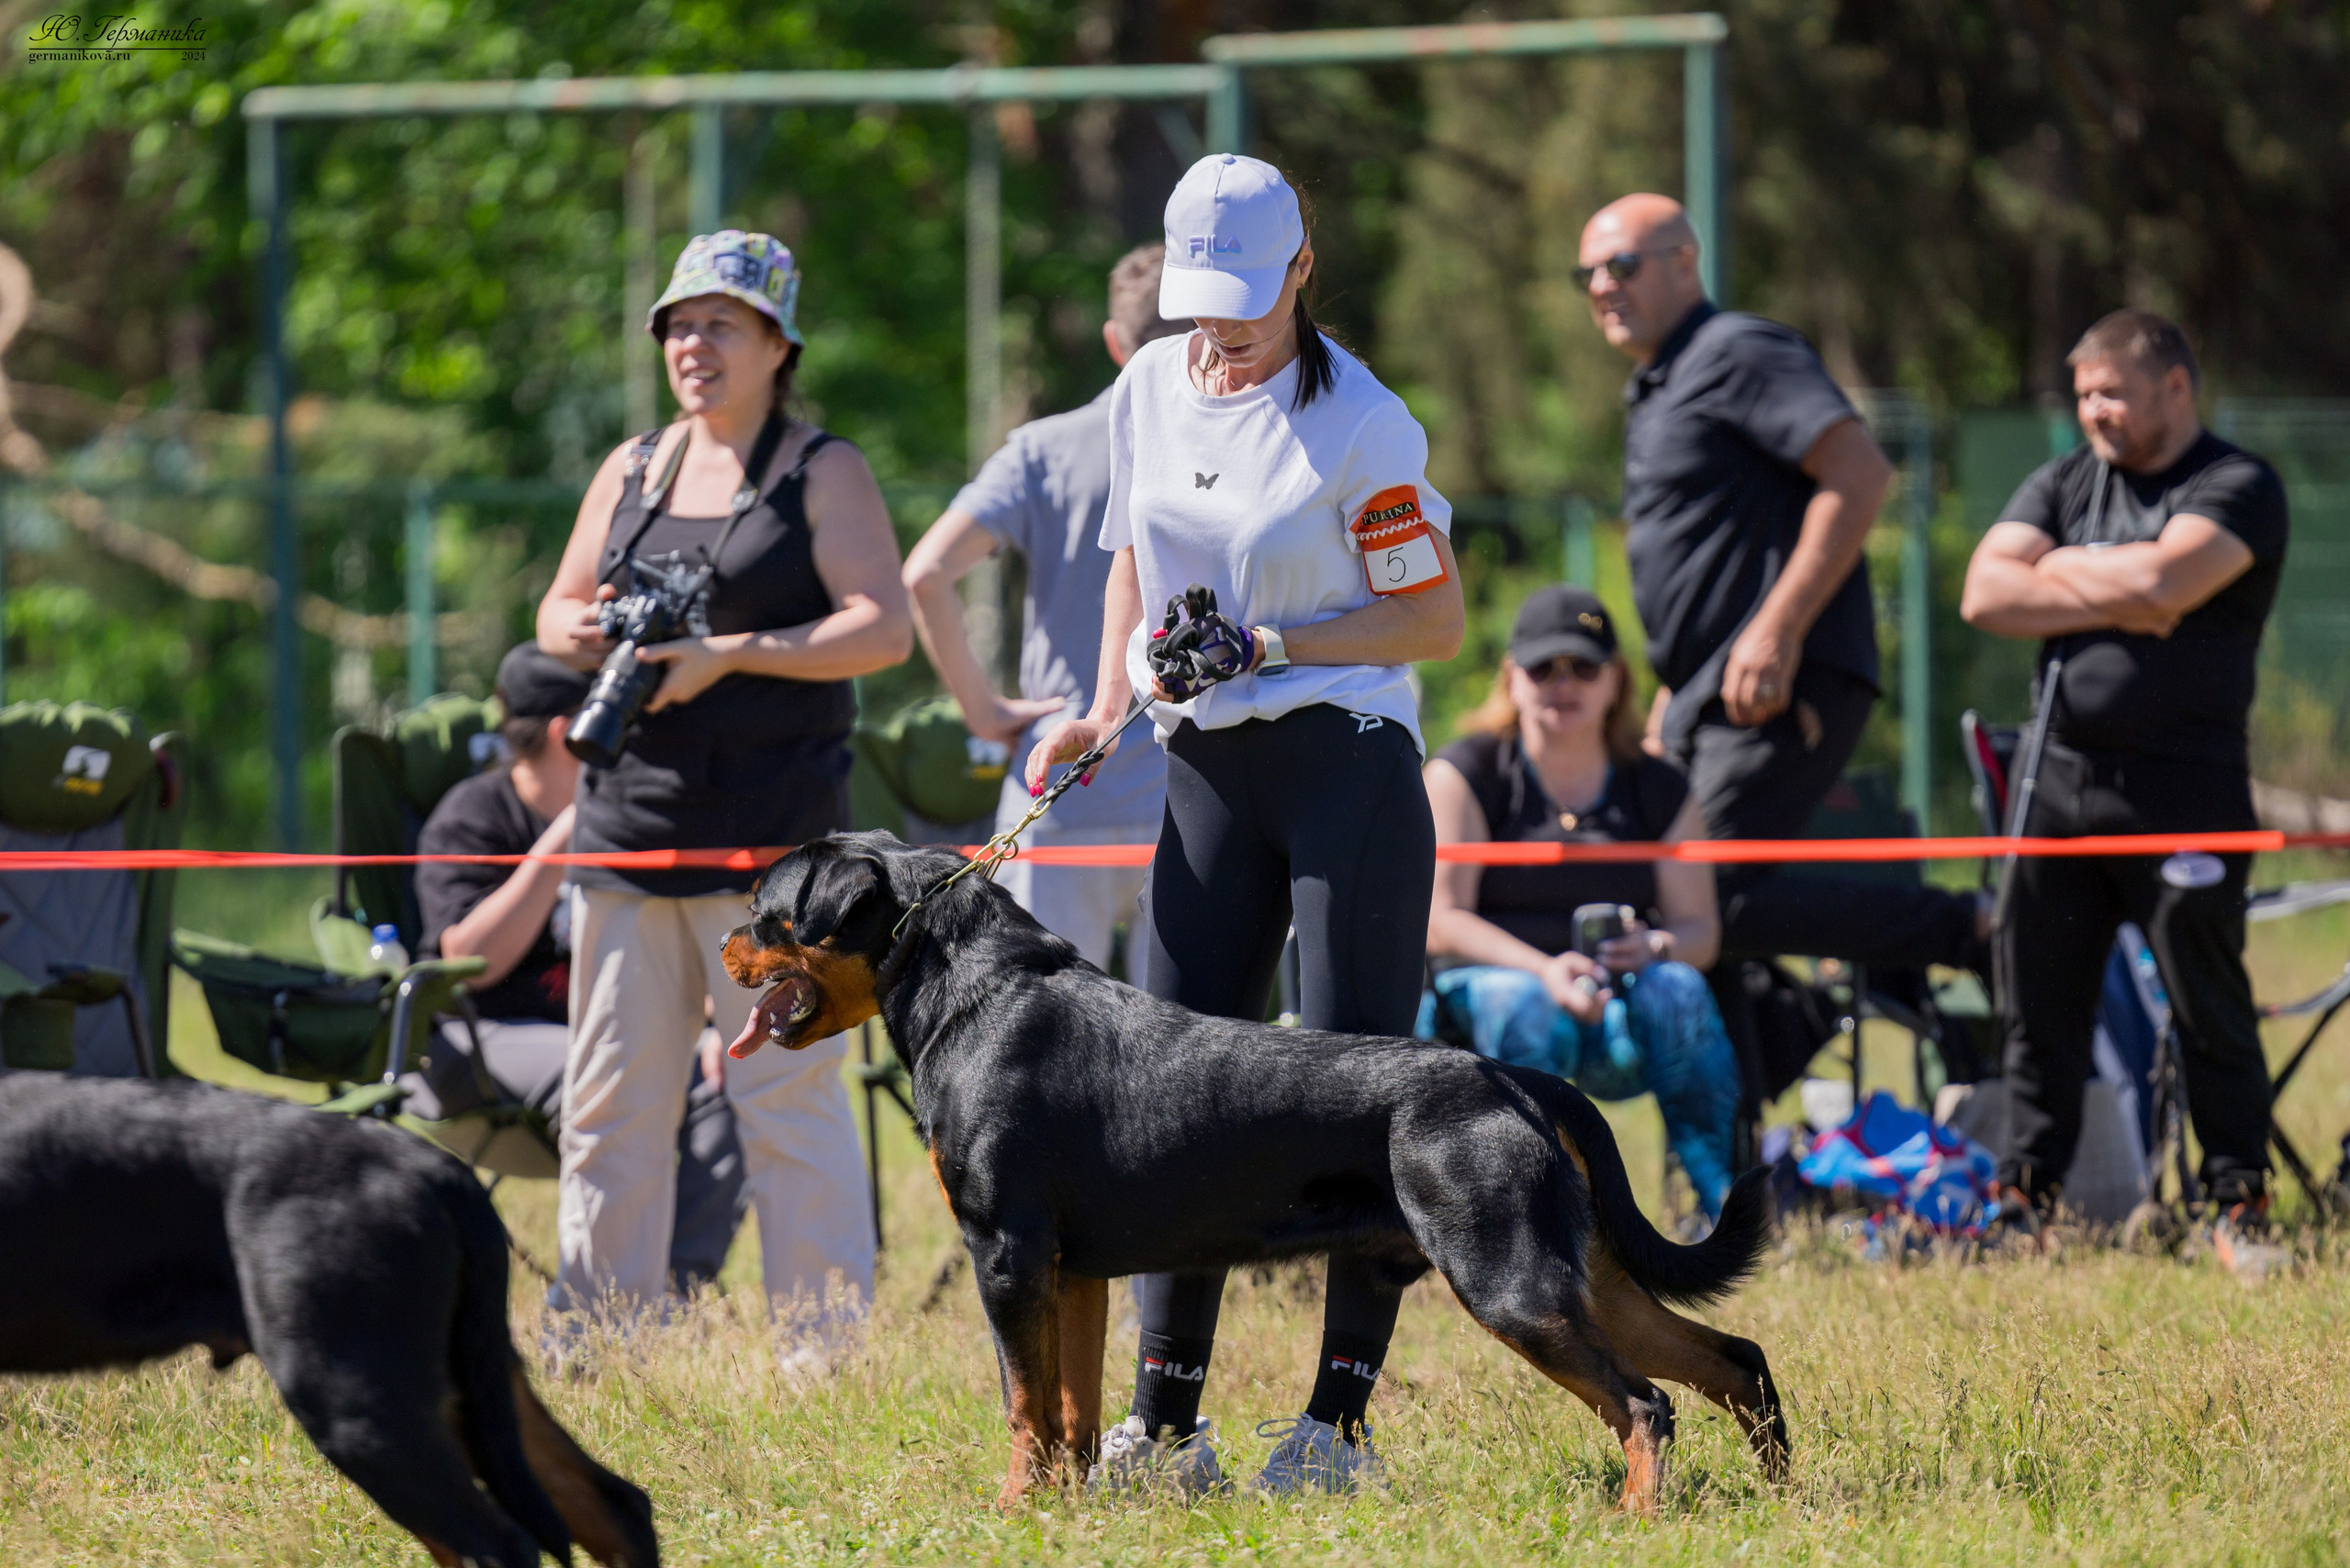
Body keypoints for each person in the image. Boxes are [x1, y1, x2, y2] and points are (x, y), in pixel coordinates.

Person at [1026, 153, 1464, 1496]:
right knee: (1167, 1097)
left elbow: (1432, 620)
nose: (1223, 328)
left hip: (1347, 758)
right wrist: (1100, 710)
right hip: (1204, 772)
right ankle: (1165, 1432)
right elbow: (1130, 563)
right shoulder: (1149, 383)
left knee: (1357, 1093)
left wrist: (1271, 639)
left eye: (1251, 299)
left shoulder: (1366, 426)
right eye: (1203, 299)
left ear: (1303, 268)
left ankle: (1337, 1429)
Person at [536, 230, 911, 1326]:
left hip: (771, 853)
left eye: (720, 323)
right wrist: (597, 628)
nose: (692, 344)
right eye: (677, 324)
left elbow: (881, 630)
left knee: (785, 1098)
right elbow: (554, 611)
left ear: (777, 342)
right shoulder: (631, 465)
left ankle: (822, 1346)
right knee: (609, 1106)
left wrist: (733, 653)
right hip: (626, 834)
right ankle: (600, 1337)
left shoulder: (821, 469)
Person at [1576, 193, 1986, 1106]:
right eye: (1588, 273)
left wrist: (1779, 625)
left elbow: (1860, 473)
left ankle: (1965, 929)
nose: (1602, 285)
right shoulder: (1656, 384)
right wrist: (1666, 704)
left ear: (1685, 261)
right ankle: (1742, 1153)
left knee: (1704, 897)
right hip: (1703, 697)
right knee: (1691, 900)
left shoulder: (1738, 353)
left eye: (1624, 265)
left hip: (1777, 682)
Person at [1959, 308, 2286, 1224]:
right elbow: (1984, 591)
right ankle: (2026, 1199)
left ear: (2173, 386)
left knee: (2206, 1006)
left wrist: (2061, 577)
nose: (2093, 412)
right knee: (2038, 1008)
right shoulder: (2064, 480)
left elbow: (2166, 588)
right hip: (2056, 786)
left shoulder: (2238, 482)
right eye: (2082, 395)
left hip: (2187, 789)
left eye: (2110, 393)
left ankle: (2235, 1199)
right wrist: (2116, 576)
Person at [412, 642, 748, 1294]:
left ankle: (670, 1299)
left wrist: (714, 1024)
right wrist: (568, 833)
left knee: (724, 1080)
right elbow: (467, 964)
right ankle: (603, 1303)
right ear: (572, 732)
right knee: (616, 1068)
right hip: (479, 1038)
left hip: (608, 1030)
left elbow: (674, 945)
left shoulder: (634, 825)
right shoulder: (473, 815)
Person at [902, 244, 1181, 976]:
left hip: (1061, 784)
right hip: (1188, 788)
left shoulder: (1043, 451)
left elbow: (926, 574)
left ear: (1116, 342)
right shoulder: (1235, 440)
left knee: (1041, 1046)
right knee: (1193, 1053)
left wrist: (986, 711)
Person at [1417, 587, 1741, 1219]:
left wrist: (1655, 947)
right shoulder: (1464, 773)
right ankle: (1527, 1220)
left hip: (1614, 1011)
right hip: (1493, 1009)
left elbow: (1700, 932)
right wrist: (1544, 969)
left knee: (1678, 987)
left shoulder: (1660, 785)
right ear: (1512, 679)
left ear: (1615, 680)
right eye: (1543, 668)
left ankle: (1714, 1211)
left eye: (1584, 667)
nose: (1563, 684)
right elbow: (1439, 920)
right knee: (1525, 1003)